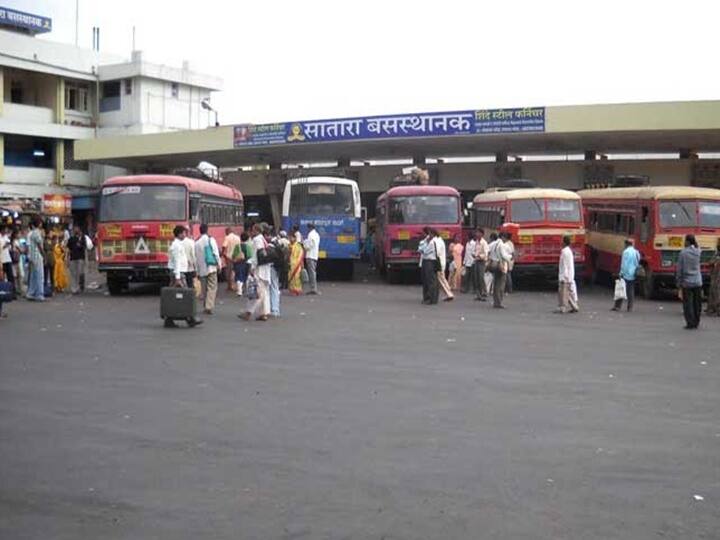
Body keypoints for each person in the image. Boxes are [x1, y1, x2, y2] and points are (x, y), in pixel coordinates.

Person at [166, 225, 202, 328]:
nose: (185, 235)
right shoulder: (177, 246)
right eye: (183, 233)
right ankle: (190, 318)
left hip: (177, 273)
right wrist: (178, 277)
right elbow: (177, 261)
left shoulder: (177, 244)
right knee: (186, 296)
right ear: (179, 234)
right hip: (179, 273)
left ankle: (170, 319)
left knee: (172, 297)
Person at [239, 224, 271, 321]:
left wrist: (252, 268)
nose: (251, 232)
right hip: (266, 269)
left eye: (252, 230)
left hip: (259, 269)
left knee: (256, 292)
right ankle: (264, 313)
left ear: (256, 230)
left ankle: (249, 312)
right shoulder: (264, 239)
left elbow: (255, 256)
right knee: (264, 292)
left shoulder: (257, 240)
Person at [676, 234, 703, 329]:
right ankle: (696, 321)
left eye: (685, 241)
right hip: (697, 281)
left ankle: (690, 322)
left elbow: (680, 269)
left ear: (687, 242)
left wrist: (678, 282)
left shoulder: (683, 253)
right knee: (697, 303)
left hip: (687, 282)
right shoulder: (698, 252)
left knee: (688, 304)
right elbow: (698, 247)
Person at [194, 224, 220, 315]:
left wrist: (196, 270)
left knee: (204, 288)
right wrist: (219, 265)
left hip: (201, 269)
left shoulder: (196, 243)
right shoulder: (210, 240)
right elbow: (215, 253)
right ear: (207, 230)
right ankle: (208, 306)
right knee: (212, 287)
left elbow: (195, 258)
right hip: (211, 267)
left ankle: (206, 305)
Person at [612, 238, 641, 312]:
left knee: (621, 289)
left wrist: (621, 273)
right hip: (633, 274)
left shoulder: (626, 252)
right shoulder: (636, 252)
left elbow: (624, 264)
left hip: (625, 274)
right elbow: (637, 263)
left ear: (627, 244)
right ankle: (630, 307)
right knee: (630, 290)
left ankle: (617, 306)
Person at [556, 235, 579, 313]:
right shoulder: (569, 251)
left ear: (564, 242)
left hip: (565, 276)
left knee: (563, 293)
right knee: (568, 293)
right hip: (569, 275)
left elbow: (565, 265)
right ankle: (574, 306)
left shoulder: (564, 252)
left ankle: (563, 308)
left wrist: (564, 277)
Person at [488, 232, 512, 308]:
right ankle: (499, 302)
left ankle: (495, 301)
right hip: (501, 266)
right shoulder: (502, 245)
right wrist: (510, 257)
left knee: (495, 284)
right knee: (501, 285)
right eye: (506, 238)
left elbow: (487, 251)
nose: (506, 240)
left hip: (494, 265)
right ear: (503, 237)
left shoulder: (492, 244)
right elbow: (504, 256)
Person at [66, 225, 91, 294]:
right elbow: (68, 249)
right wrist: (67, 258)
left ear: (79, 230)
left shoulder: (83, 239)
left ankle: (79, 286)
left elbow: (86, 248)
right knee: (73, 274)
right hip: (73, 258)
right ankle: (74, 288)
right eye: (75, 229)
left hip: (80, 258)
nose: (76, 230)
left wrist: (86, 260)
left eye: (77, 229)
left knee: (79, 273)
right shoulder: (71, 239)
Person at [418, 227, 439, 304]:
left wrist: (423, 248)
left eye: (430, 233)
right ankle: (428, 298)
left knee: (431, 281)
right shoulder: (428, 241)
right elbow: (420, 249)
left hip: (430, 261)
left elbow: (425, 251)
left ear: (433, 234)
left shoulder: (432, 242)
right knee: (427, 280)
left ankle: (432, 299)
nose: (428, 235)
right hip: (426, 261)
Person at [26, 218, 45, 301]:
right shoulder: (37, 233)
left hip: (32, 256)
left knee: (34, 276)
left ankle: (31, 293)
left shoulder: (32, 233)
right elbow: (40, 246)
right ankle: (39, 294)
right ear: (39, 224)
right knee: (39, 276)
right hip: (37, 256)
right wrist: (44, 255)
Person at [433, 230, 454, 301]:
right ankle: (449, 292)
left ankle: (449, 293)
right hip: (442, 262)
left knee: (441, 279)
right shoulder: (440, 240)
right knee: (443, 278)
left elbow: (437, 252)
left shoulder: (436, 241)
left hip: (438, 263)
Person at [268, 229, 282, 318]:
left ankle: (273, 309)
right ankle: (276, 309)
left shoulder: (270, 246)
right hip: (277, 268)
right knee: (275, 287)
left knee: (271, 288)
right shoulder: (278, 244)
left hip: (271, 267)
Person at [303, 223, 320, 295]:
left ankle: (313, 289)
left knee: (311, 273)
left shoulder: (310, 235)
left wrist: (304, 243)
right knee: (313, 272)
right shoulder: (317, 235)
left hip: (310, 255)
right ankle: (313, 288)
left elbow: (309, 245)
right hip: (315, 255)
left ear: (309, 228)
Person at [473, 228, 489, 301]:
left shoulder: (484, 243)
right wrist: (474, 255)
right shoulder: (476, 242)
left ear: (482, 234)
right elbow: (475, 251)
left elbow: (486, 253)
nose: (477, 234)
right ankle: (478, 294)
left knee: (481, 277)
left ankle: (484, 292)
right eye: (476, 233)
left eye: (478, 233)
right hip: (476, 261)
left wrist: (479, 256)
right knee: (476, 278)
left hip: (482, 262)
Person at [706, 239, 720, 316]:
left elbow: (711, 263)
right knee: (713, 291)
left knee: (716, 292)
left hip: (716, 276)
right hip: (715, 276)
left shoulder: (717, 255)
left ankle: (715, 309)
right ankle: (712, 308)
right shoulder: (717, 254)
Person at [182, 226, 197, 292]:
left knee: (182, 284)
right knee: (190, 284)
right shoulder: (191, 242)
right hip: (189, 267)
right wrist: (195, 267)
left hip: (181, 267)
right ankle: (190, 298)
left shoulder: (178, 242)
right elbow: (194, 255)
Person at [0, 226, 14, 297]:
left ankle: (12, 292)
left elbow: (9, 247)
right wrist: (4, 246)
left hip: (8, 258)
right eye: (5, 230)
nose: (6, 231)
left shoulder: (6, 237)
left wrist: (8, 245)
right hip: (1, 259)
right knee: (1, 277)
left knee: (10, 276)